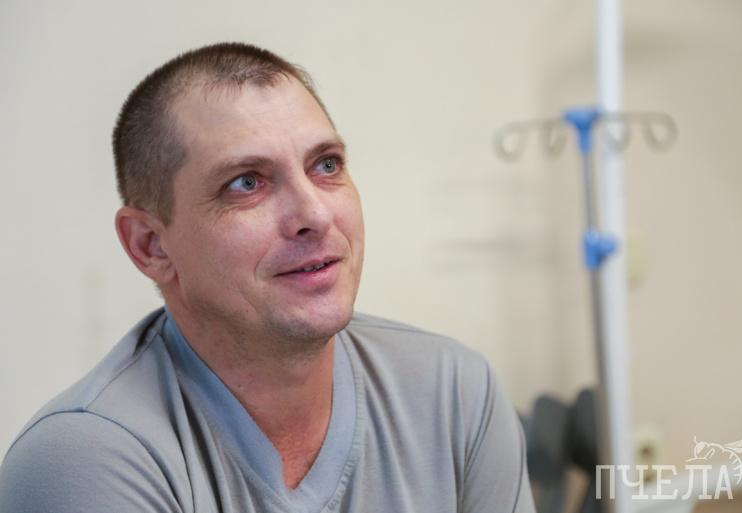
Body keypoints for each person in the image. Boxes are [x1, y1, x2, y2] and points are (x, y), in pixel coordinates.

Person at [0, 42, 536, 513]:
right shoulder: (88, 458)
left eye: (326, 165)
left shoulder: (452, 393)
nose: (315, 215)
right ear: (151, 245)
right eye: (246, 183)